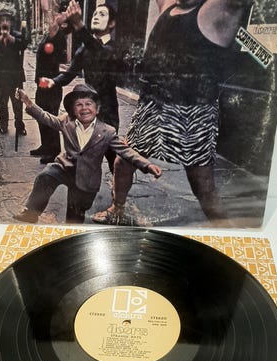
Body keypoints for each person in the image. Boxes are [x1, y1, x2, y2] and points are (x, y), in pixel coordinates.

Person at [91, 0, 253, 225]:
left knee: (203, 187)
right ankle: (117, 210)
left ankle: (227, 233)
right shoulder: (168, 5)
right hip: (153, 107)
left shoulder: (212, 11)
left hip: (192, 114)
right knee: (123, 161)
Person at [12, 84, 162, 224]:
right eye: (79, 104)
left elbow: (126, 151)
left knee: (74, 216)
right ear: (73, 109)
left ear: (97, 109)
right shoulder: (66, 121)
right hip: (65, 168)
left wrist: (147, 165)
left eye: (88, 104)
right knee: (45, 176)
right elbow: (46, 117)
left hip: (87, 178)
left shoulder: (107, 131)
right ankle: (31, 213)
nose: (84, 108)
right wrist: (27, 101)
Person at [47, 0, 122, 171]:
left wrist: (79, 25)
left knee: (112, 154)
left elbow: (98, 51)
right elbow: (70, 72)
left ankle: (118, 184)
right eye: (94, 14)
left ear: (112, 23)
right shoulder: (84, 48)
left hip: (108, 110)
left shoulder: (113, 48)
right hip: (87, 108)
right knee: (84, 152)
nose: (96, 16)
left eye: (102, 14)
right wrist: (54, 81)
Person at [29, 8, 68, 161]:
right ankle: (45, 146)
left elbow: (57, 55)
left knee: (50, 117)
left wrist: (56, 24)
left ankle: (54, 150)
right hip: (42, 83)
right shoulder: (49, 34)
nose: (52, 17)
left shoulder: (59, 37)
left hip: (51, 84)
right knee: (41, 116)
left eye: (57, 14)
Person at [0, 3, 28, 135]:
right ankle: (4, 126)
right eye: (2, 20)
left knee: (17, 104)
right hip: (0, 77)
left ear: (11, 22)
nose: (5, 22)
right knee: (2, 103)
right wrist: (1, 37)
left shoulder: (17, 34)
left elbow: (23, 44)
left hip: (15, 77)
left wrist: (9, 37)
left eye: (7, 20)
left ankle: (19, 126)